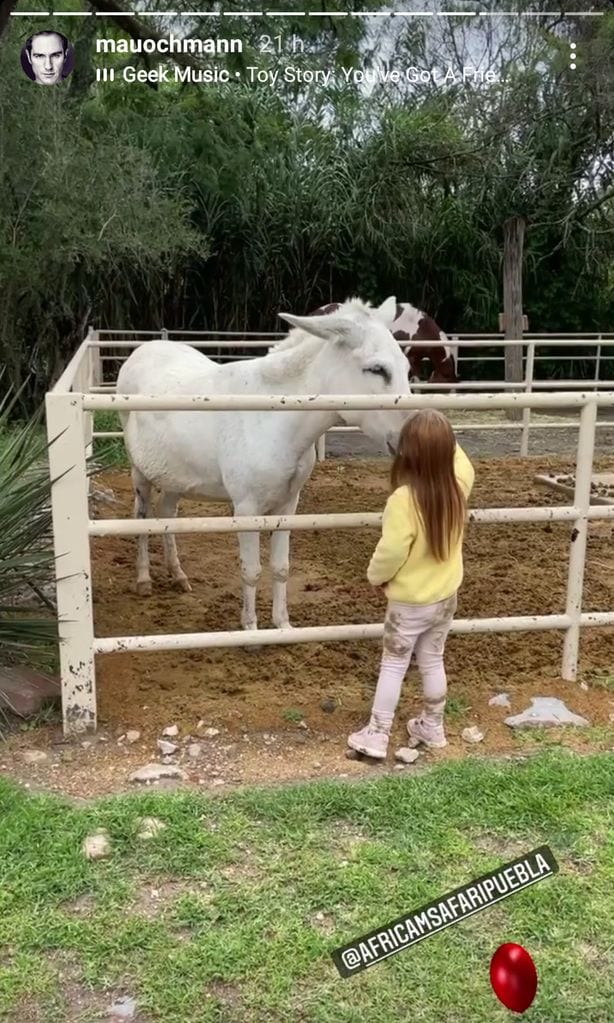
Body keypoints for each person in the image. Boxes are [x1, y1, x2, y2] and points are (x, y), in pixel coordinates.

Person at [348, 409, 475, 759]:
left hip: (409, 604)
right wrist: (441, 429)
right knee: (433, 659)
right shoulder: (458, 487)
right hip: (445, 597)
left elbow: (390, 552)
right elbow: (463, 462)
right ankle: (432, 726)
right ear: (447, 451)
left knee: (394, 664)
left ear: (406, 453)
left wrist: (376, 576)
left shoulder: (403, 501)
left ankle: (377, 733)